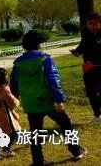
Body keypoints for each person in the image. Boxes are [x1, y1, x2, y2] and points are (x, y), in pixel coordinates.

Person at [11, 30, 87, 165]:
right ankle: (76, 150)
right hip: (48, 100)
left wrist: (15, 99)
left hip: (30, 103)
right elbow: (53, 80)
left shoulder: (17, 64)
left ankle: (38, 161)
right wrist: (59, 99)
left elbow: (14, 84)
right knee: (66, 124)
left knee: (35, 133)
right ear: (38, 44)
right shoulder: (45, 59)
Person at [70, 11, 101, 122]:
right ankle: (97, 115)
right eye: (90, 24)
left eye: (95, 23)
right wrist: (76, 52)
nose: (92, 26)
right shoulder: (86, 35)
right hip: (89, 69)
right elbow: (81, 47)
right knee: (91, 93)